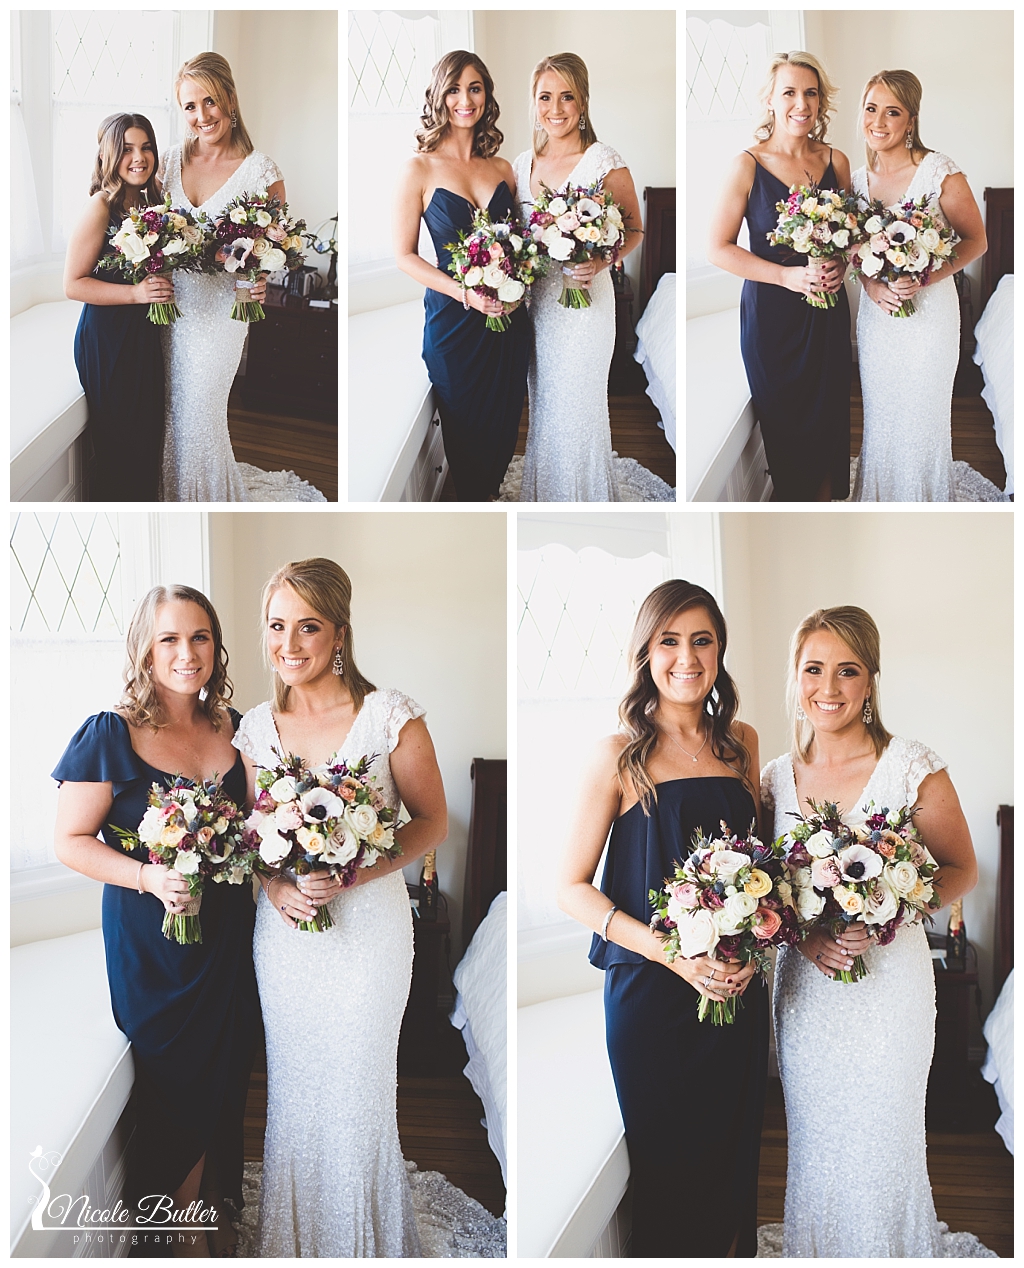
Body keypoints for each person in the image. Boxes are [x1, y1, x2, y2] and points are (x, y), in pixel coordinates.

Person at [232, 558, 448, 1256]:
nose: (289, 644)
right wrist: (277, 887)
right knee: (295, 1088)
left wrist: (352, 871)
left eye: (308, 627)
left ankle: (363, 1241)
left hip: (370, 935)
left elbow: (432, 821)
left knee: (358, 1088)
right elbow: (255, 839)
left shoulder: (388, 717)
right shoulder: (256, 728)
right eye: (276, 626)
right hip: (287, 937)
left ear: (340, 634)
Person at [761, 606, 991, 1257]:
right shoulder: (772, 778)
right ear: (795, 676)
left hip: (892, 992)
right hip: (807, 994)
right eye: (814, 669)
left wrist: (889, 911)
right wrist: (804, 938)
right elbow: (768, 893)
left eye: (847, 670)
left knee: (887, 1135)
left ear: (870, 680)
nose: (828, 687)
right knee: (816, 1135)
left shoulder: (911, 765)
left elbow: (962, 868)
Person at [558, 579, 767, 1257]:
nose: (687, 657)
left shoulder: (743, 744)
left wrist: (751, 954)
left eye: (702, 640)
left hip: (735, 990)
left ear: (720, 650)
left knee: (732, 1160)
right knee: (671, 1178)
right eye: (669, 641)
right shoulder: (618, 754)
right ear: (646, 653)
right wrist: (672, 953)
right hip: (652, 996)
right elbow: (569, 888)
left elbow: (759, 872)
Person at [53, 586, 259, 1258]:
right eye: (169, 638)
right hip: (154, 941)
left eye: (200, 637)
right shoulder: (109, 733)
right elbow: (70, 841)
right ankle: (175, 1228)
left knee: (226, 1065)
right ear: (145, 649)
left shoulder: (234, 727)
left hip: (227, 932)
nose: (186, 653)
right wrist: (148, 876)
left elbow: (258, 829)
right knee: (176, 1076)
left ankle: (210, 1203)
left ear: (216, 647)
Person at [160, 52, 325, 502]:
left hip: (221, 315)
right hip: (168, 309)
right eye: (189, 106)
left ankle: (206, 499)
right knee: (172, 412)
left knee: (202, 412)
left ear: (230, 100)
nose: (201, 116)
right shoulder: (167, 163)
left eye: (209, 101)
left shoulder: (261, 171)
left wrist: (261, 279)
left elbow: (277, 247)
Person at [513, 53, 662, 503]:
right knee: (546, 404)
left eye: (567, 97)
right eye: (545, 97)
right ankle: (545, 492)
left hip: (586, 305)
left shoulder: (602, 160)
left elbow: (634, 229)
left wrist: (599, 263)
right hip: (538, 306)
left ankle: (586, 495)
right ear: (534, 102)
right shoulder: (521, 164)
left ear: (582, 102)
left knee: (579, 406)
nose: (555, 109)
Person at [709, 51, 851, 501]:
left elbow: (850, 238)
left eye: (810, 93)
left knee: (829, 424)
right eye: (789, 92)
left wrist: (841, 263)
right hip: (773, 320)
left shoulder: (836, 161)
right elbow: (718, 247)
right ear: (770, 100)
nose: (801, 104)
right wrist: (787, 278)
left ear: (821, 101)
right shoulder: (746, 165)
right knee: (788, 432)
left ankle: (826, 511)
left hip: (827, 315)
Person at [851, 71, 998, 502]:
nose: (878, 122)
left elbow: (976, 240)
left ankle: (927, 499)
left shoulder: (938, 171)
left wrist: (924, 276)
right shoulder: (856, 181)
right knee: (882, 413)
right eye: (871, 109)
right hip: (878, 318)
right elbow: (854, 248)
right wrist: (872, 286)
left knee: (923, 415)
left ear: (911, 120)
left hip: (930, 315)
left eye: (892, 112)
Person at [393, 51, 530, 502]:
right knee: (467, 437)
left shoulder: (503, 169)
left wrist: (518, 285)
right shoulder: (419, 168)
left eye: (474, 88)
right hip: (454, 326)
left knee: (503, 428)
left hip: (507, 322)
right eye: (454, 89)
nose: (465, 100)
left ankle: (489, 496)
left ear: (486, 95)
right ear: (439, 96)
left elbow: (522, 247)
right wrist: (465, 293)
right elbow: (404, 256)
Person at [64, 113, 168, 500]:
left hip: (142, 337)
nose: (139, 158)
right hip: (108, 341)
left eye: (146, 147)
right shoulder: (101, 206)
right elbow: (72, 284)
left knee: (146, 439)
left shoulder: (151, 203)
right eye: (126, 150)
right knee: (122, 447)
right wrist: (136, 294)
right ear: (107, 156)